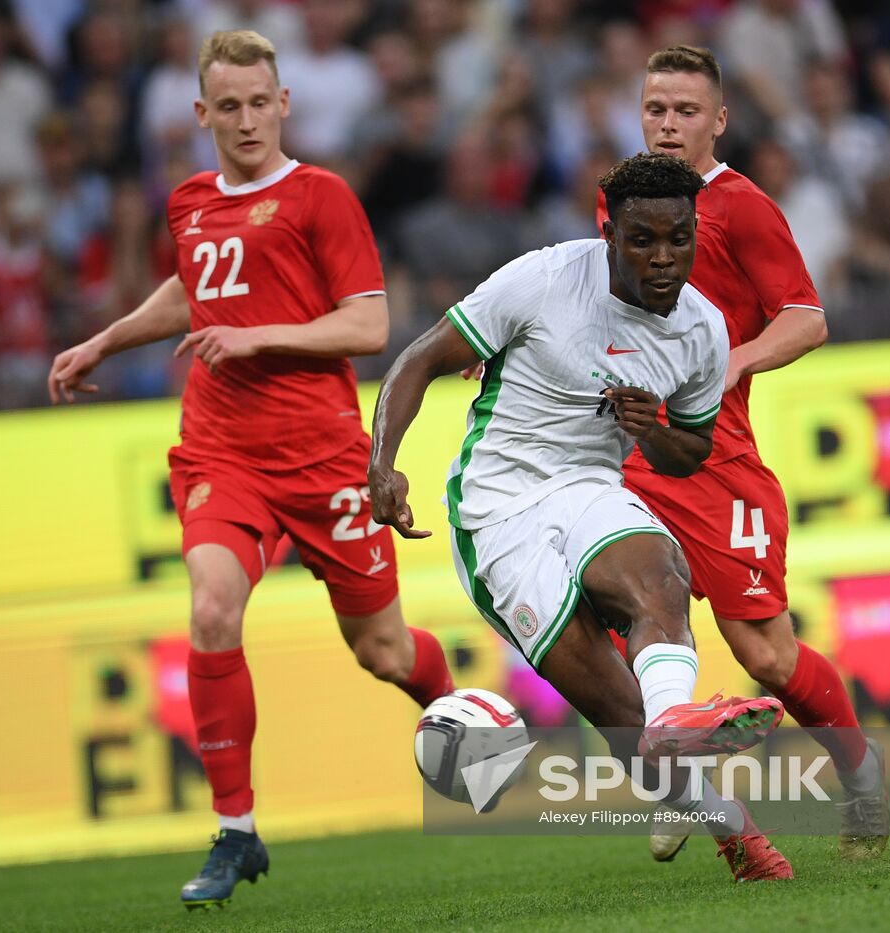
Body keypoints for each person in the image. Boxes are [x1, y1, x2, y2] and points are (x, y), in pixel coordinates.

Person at [47, 30, 456, 910]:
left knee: (383, 651)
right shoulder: (190, 202)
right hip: (222, 449)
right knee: (210, 608)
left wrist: (257, 335)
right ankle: (236, 828)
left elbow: (368, 325)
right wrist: (105, 341)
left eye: (259, 103)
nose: (245, 120)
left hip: (321, 455)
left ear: (283, 104)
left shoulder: (321, 196)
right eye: (227, 106)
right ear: (202, 113)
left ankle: (455, 709)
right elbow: (194, 288)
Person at [370, 151, 792, 883]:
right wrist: (382, 462)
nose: (663, 258)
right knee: (621, 713)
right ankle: (729, 824)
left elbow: (690, 452)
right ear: (610, 236)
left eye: (679, 239)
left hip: (590, 483)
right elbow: (419, 358)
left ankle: (677, 725)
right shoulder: (543, 280)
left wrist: (652, 430)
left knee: (660, 576)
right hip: (496, 507)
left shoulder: (703, 328)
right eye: (643, 240)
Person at [592, 46, 889, 860]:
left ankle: (859, 766)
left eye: (686, 111)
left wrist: (734, 360)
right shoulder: (616, 200)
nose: (668, 124)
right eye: (655, 109)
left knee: (766, 654)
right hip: (628, 456)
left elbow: (807, 317)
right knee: (617, 609)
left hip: (715, 461)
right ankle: (680, 775)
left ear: (718, 120)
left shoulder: (743, 208)